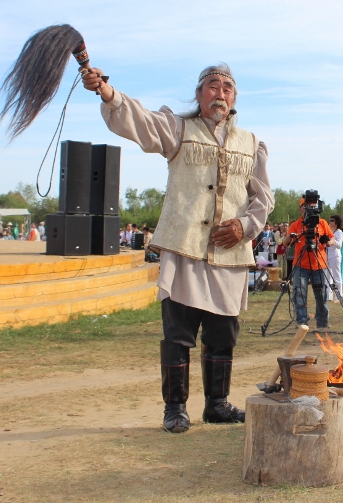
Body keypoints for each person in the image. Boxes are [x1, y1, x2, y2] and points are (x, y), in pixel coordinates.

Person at [82, 63, 274, 433]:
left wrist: (244, 226)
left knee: (222, 334)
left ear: (234, 99)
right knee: (179, 333)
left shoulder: (251, 144)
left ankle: (216, 405)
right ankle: (175, 408)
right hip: (185, 247)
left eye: (227, 88)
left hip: (229, 254)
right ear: (199, 95)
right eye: (212, 86)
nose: (220, 92)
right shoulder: (178, 129)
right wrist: (107, 92)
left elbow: (262, 198)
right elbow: (141, 122)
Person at [282, 198, 334, 329]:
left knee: (321, 294)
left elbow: (332, 240)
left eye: (311, 206)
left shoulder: (322, 223)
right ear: (300, 209)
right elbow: (285, 243)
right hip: (300, 266)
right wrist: (291, 237)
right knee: (299, 294)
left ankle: (322, 323)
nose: (309, 209)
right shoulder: (296, 224)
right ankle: (301, 322)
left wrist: (327, 241)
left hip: (320, 264)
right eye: (305, 206)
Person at [326, 214, 343, 301]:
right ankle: (329, 296)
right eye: (330, 220)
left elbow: (339, 245)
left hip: (335, 256)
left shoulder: (339, 232)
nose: (330, 222)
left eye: (332, 220)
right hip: (328, 255)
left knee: (336, 276)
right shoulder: (330, 231)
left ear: (337, 222)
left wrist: (332, 241)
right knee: (328, 276)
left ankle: (339, 296)